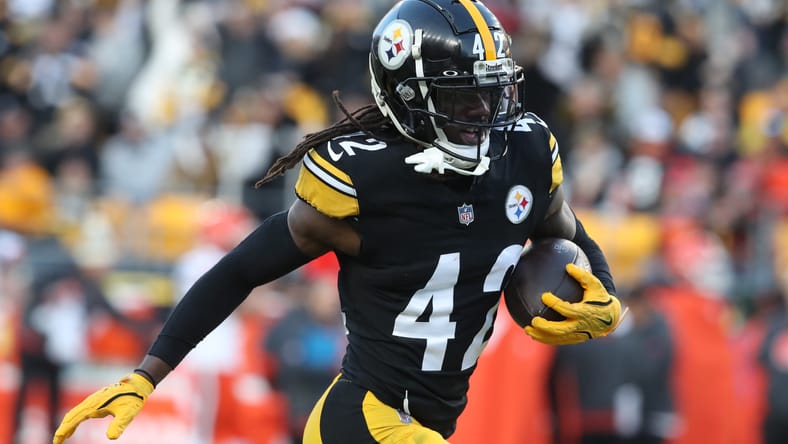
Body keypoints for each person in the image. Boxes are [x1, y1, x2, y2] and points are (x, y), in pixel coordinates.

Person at [52, 1, 622, 443]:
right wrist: (147, 375)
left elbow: (566, 232)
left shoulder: (524, 153)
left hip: (425, 424)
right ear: (407, 97)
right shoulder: (368, 179)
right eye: (461, 97)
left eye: (491, 92)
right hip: (362, 419)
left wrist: (607, 294)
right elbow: (241, 269)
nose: (483, 113)